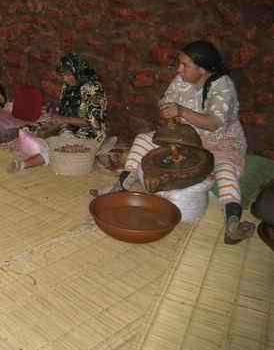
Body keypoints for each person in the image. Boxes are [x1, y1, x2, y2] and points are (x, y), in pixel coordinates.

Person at [109, 40, 254, 245]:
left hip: (220, 142)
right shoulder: (181, 80)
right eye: (180, 63)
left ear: (202, 70)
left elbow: (213, 123)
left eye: (185, 65)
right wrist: (169, 114)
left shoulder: (223, 86)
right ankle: (125, 182)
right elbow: (166, 102)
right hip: (185, 137)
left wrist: (181, 111)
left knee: (225, 171)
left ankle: (232, 223)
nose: (179, 69)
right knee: (143, 140)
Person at [8, 52, 107, 172]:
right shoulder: (68, 86)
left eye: (69, 75)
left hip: (89, 130)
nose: (65, 78)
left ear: (78, 72)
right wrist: (54, 121)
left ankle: (25, 164)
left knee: (62, 145)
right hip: (68, 124)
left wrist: (63, 121)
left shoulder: (93, 89)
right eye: (63, 75)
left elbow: (93, 122)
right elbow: (64, 110)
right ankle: (37, 147)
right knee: (30, 129)